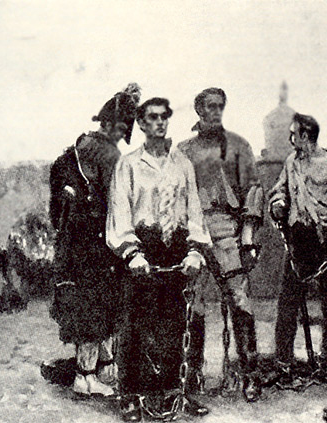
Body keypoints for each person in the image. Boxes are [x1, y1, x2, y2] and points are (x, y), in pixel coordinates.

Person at [106, 97, 211, 421]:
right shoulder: (128, 164)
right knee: (135, 324)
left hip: (175, 248)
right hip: (142, 250)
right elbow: (119, 212)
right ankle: (130, 395)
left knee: (177, 323)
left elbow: (194, 210)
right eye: (152, 117)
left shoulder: (182, 164)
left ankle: (175, 393)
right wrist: (131, 253)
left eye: (164, 116)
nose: (160, 122)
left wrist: (195, 250)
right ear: (141, 123)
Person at [48, 84, 139, 397]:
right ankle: (85, 376)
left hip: (73, 245)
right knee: (96, 310)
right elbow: (120, 201)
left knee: (90, 308)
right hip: (96, 245)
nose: (123, 134)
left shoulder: (75, 148)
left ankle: (96, 371)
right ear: (110, 125)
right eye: (122, 128)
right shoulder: (108, 153)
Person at [178, 87, 264, 402]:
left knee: (240, 301)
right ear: (198, 110)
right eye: (210, 106)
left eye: (220, 106)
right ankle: (192, 374)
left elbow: (253, 190)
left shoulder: (238, 145)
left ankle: (250, 375)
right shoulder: (183, 150)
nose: (215, 111)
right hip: (194, 232)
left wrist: (248, 236)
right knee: (193, 303)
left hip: (227, 229)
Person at [268, 113, 327, 377]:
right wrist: (278, 202)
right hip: (298, 238)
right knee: (287, 302)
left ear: (305, 135)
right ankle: (283, 362)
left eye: (294, 134)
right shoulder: (292, 162)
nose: (290, 139)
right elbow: (280, 189)